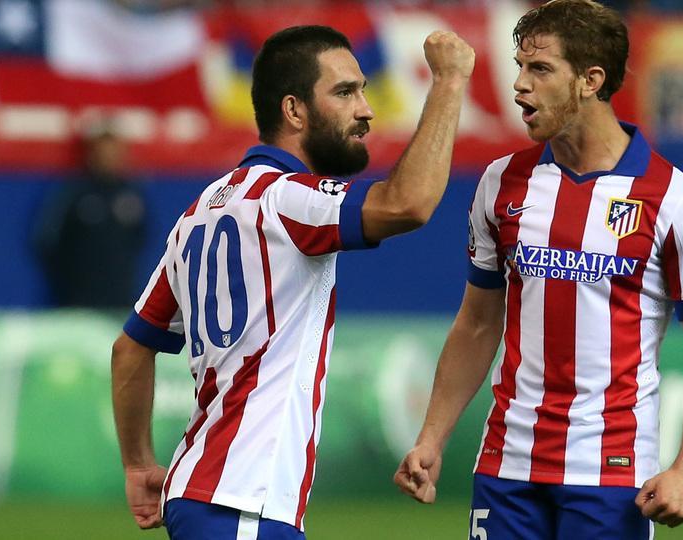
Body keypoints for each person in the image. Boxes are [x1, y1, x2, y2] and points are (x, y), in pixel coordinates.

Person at [111, 25, 475, 539]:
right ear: (294, 110)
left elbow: (131, 347)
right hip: (242, 500)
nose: (366, 109)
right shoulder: (286, 199)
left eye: (362, 90)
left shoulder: (199, 212)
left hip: (209, 493)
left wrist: (138, 464)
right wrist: (449, 82)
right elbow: (406, 203)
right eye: (345, 92)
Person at [393, 1, 683, 539]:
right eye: (519, 67)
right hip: (506, 466)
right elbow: (478, 323)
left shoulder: (675, 199)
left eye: (541, 69)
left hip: (611, 475)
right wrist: (432, 437)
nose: (519, 86)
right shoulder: (500, 183)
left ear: (590, 81)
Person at [33, 127, 147, 307]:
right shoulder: (74, 194)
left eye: (114, 153)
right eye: (103, 153)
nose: (109, 158)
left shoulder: (132, 195)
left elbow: (141, 238)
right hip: (80, 302)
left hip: (121, 299)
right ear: (92, 154)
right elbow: (48, 241)